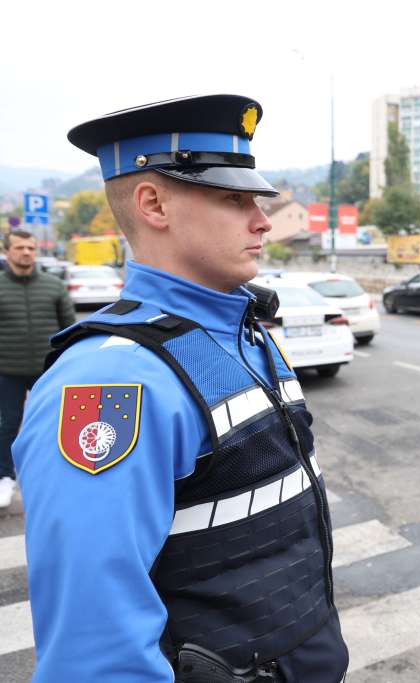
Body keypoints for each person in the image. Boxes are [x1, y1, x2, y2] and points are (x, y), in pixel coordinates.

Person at [13, 95, 349, 682]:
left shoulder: (244, 332)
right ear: (153, 204)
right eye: (232, 198)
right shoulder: (111, 380)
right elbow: (95, 655)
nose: (263, 219)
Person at [0, 229, 75, 509]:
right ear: (7, 251)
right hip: (7, 370)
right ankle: (5, 478)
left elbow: (70, 330)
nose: (27, 252)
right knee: (6, 426)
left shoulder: (53, 286)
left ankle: (55, 477)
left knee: (56, 425)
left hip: (48, 371)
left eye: (31, 247)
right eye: (20, 247)